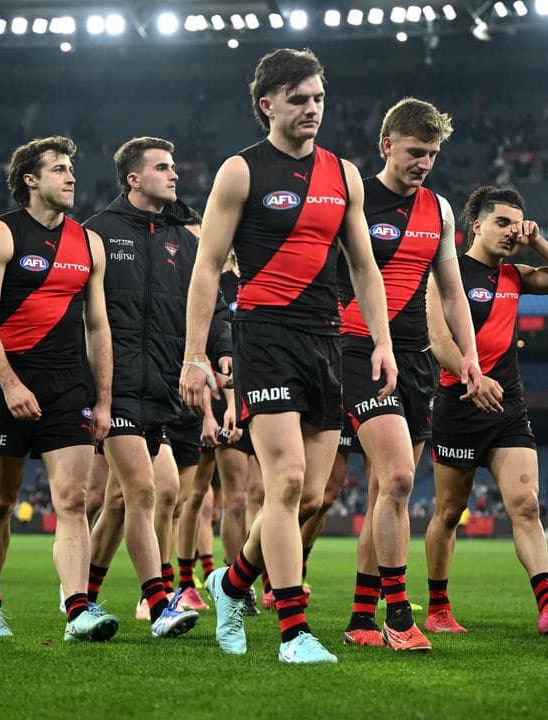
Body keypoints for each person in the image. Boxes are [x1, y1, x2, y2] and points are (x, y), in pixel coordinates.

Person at [180, 48, 397, 664]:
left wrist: (381, 340)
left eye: (318, 98)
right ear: (267, 104)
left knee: (311, 496)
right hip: (265, 335)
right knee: (287, 480)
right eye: (298, 98)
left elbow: (364, 267)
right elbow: (207, 267)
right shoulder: (240, 172)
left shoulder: (344, 174)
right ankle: (294, 633)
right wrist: (195, 355)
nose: (311, 108)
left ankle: (230, 583)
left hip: (327, 340)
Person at [307, 96, 485, 651]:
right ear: (387, 145)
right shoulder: (353, 197)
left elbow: (452, 293)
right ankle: (400, 616)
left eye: (432, 154)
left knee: (387, 489)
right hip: (357, 349)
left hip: (416, 359)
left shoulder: (440, 209)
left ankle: (361, 618)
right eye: (414, 152)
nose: (424, 163)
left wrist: (470, 355)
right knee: (400, 477)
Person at [424, 185, 548, 637]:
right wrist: (472, 376)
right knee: (449, 512)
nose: (510, 232)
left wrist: (537, 241)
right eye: (502, 223)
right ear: (476, 225)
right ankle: (438, 609)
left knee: (527, 504)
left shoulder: (516, 275)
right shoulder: (447, 273)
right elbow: (439, 341)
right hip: (460, 404)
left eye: (516, 226)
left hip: (507, 407)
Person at [0, 135, 115, 641]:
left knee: (72, 501)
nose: (72, 176)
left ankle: (77, 610)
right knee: (1, 501)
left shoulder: (88, 243)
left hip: (69, 386)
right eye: (59, 169)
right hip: (9, 385)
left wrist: (104, 399)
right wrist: (10, 385)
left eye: (72, 168)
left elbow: (98, 325)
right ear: (30, 179)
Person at [80, 135, 211, 637]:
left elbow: (210, 304)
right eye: (162, 167)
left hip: (162, 389)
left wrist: (218, 349)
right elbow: (80, 314)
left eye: (173, 166)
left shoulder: (183, 238)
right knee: (144, 490)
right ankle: (158, 604)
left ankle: (82, 602)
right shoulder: (97, 233)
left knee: (122, 500)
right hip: (113, 389)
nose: (174, 174)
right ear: (133, 179)